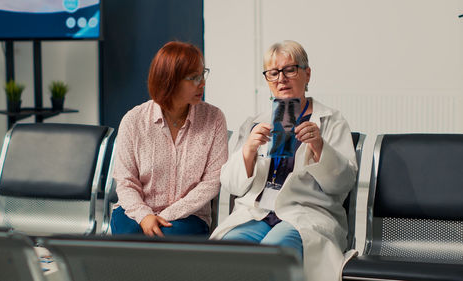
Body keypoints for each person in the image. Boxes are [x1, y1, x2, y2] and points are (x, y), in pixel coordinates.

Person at [210, 40, 357, 281]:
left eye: (290, 70)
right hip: (256, 213)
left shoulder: (330, 121)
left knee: (272, 253)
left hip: (304, 214)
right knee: (229, 252)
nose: (281, 79)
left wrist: (320, 146)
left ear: (307, 74)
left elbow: (342, 184)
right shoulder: (255, 123)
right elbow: (232, 185)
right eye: (273, 73)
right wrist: (248, 150)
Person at [111, 41, 228, 237]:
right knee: (131, 235)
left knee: (169, 237)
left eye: (203, 74)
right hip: (134, 212)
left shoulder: (214, 119)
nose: (203, 83)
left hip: (188, 216)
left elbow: (212, 182)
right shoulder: (134, 120)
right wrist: (145, 216)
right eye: (194, 78)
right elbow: (125, 181)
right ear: (169, 81)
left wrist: (165, 216)